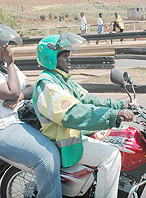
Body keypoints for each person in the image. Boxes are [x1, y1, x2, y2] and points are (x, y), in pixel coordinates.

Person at [33, 32, 134, 198]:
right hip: (62, 142)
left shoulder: (63, 79)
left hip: (76, 134)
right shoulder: (47, 83)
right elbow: (72, 114)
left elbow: (87, 99)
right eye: (65, 55)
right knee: (111, 156)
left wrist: (119, 105)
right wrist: (113, 115)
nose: (69, 59)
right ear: (50, 58)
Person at [0, 25, 62, 197]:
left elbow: (32, 87)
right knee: (47, 158)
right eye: (0, 45)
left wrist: (20, 96)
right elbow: (12, 91)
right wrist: (11, 63)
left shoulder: (9, 70)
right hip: (1, 129)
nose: (6, 48)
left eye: (7, 44)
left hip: (22, 122)